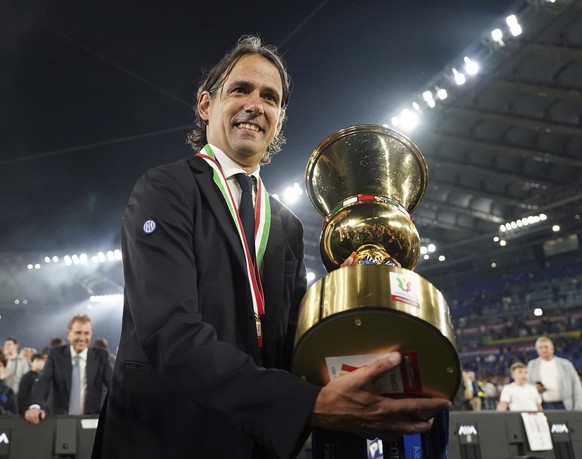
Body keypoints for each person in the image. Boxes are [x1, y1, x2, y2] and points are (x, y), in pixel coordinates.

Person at [91, 35, 451, 459]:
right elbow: (169, 335)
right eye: (240, 89)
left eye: (270, 97)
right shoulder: (165, 189)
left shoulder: (287, 224)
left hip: (254, 442)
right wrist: (307, 405)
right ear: (206, 105)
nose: (255, 105)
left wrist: (349, 293)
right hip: (165, 437)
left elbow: (290, 343)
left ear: (279, 119)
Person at [24, 314, 113, 423]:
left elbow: (113, 384)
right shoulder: (55, 355)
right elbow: (43, 381)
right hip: (59, 418)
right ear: (68, 334)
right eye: (78, 333)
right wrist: (35, 406)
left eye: (86, 333)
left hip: (91, 420)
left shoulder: (101, 356)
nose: (82, 338)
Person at [527, 336, 582, 410]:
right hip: (542, 405)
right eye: (540, 347)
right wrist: (534, 388)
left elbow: (576, 386)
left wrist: (578, 406)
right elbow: (526, 386)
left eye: (546, 347)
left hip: (564, 405)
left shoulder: (565, 364)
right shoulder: (532, 365)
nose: (544, 349)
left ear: (552, 349)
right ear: (537, 350)